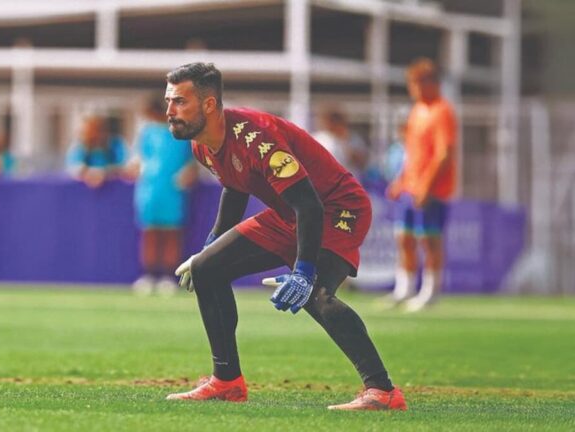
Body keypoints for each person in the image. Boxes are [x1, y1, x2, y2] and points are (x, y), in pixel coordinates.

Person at [164, 63, 406, 411]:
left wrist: (304, 271)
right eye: (168, 101)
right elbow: (234, 187)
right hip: (289, 215)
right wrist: (212, 245)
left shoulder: (257, 136)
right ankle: (227, 382)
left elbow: (309, 206)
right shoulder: (202, 145)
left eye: (179, 102)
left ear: (209, 105)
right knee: (206, 269)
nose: (170, 111)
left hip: (338, 209)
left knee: (316, 294)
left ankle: (383, 391)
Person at [386, 58, 458, 312]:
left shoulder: (442, 111)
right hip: (410, 187)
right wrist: (401, 179)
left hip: (432, 191)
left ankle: (430, 291)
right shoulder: (417, 111)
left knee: (429, 240)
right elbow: (411, 151)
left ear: (430, 83)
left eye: (416, 83)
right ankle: (403, 289)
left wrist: (427, 185)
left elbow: (444, 153)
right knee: (404, 237)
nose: (413, 88)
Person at [126, 96, 198, 296]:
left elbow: (192, 164)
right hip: (149, 191)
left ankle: (168, 277)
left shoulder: (181, 133)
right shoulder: (146, 133)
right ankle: (149, 276)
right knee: (150, 233)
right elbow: (137, 160)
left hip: (173, 191)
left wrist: (187, 175)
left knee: (171, 234)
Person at [65, 116, 127, 188]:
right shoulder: (80, 146)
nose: (94, 135)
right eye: (89, 132)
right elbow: (74, 167)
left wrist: (103, 172)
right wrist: (89, 172)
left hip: (114, 189)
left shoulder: (115, 144)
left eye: (96, 131)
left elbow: (123, 166)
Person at [312, 108, 369, 179]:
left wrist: (344, 141)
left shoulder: (353, 138)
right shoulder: (318, 138)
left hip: (347, 182)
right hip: (325, 182)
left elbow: (361, 162)